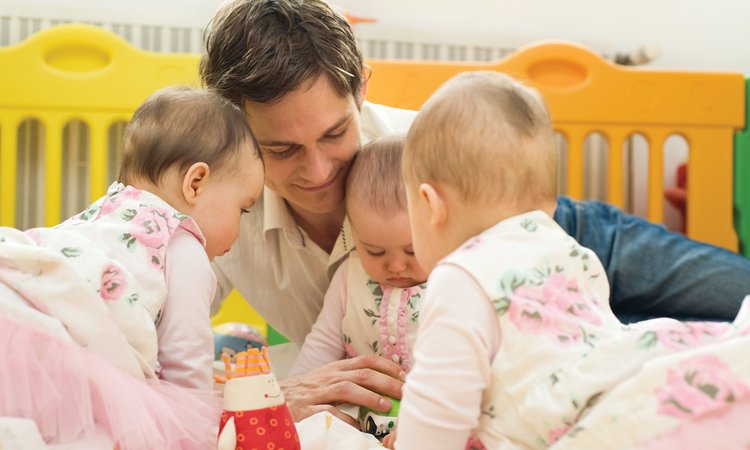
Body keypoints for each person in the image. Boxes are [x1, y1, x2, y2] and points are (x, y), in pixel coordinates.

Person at [200, 0, 750, 424]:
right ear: (234, 130)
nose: (317, 171)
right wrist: (275, 396)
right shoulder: (216, 202)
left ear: (362, 89)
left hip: (575, 240)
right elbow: (126, 306)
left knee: (736, 293)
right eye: (282, 150)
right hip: (522, 335)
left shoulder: (430, 143)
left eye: (335, 133)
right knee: (684, 366)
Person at [391, 70, 750, 449]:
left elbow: (435, 420)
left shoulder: (459, 275)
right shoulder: (569, 250)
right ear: (550, 205)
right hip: (654, 392)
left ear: (430, 204)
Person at [0, 86, 265, 448]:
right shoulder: (184, 246)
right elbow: (188, 371)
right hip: (55, 345)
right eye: (243, 209)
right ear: (196, 183)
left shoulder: (110, 211)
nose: (242, 226)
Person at [290, 135, 428, 378]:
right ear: (353, 234)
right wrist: (295, 395)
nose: (396, 266)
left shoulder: (453, 279)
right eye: (375, 251)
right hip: (362, 409)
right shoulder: (349, 276)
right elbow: (322, 344)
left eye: (412, 250)